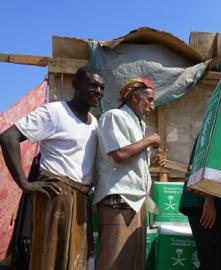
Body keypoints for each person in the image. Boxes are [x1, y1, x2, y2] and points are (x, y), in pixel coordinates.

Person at [0, 66, 104, 270]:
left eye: (102, 87)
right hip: (56, 194)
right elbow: (8, 137)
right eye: (93, 85)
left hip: (82, 198)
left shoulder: (94, 124)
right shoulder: (55, 112)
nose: (98, 91)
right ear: (75, 85)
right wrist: (24, 183)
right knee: (50, 259)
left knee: (77, 260)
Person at [93, 78, 163, 269]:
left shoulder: (136, 123)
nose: (152, 106)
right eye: (149, 99)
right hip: (119, 198)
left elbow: (130, 165)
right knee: (114, 260)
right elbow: (119, 154)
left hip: (135, 201)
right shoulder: (114, 116)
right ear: (134, 98)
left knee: (131, 261)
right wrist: (149, 141)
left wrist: (151, 162)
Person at [179, 139, 221, 270]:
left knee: (215, 260)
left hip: (212, 201)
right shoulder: (220, 122)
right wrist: (209, 198)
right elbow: (211, 157)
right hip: (206, 202)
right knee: (213, 263)